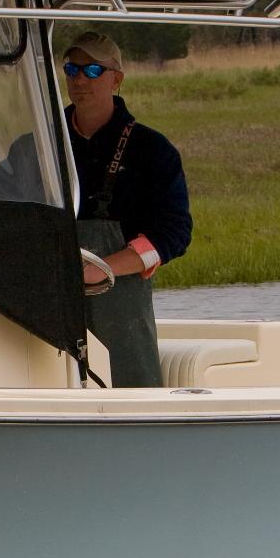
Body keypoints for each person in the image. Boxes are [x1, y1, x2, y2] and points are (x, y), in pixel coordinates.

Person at [55, 30, 188, 388]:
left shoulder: (152, 150)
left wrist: (103, 270)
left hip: (121, 307)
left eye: (93, 70)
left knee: (133, 391)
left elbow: (173, 234)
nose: (80, 79)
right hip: (52, 299)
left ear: (117, 78)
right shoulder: (41, 142)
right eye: (71, 69)